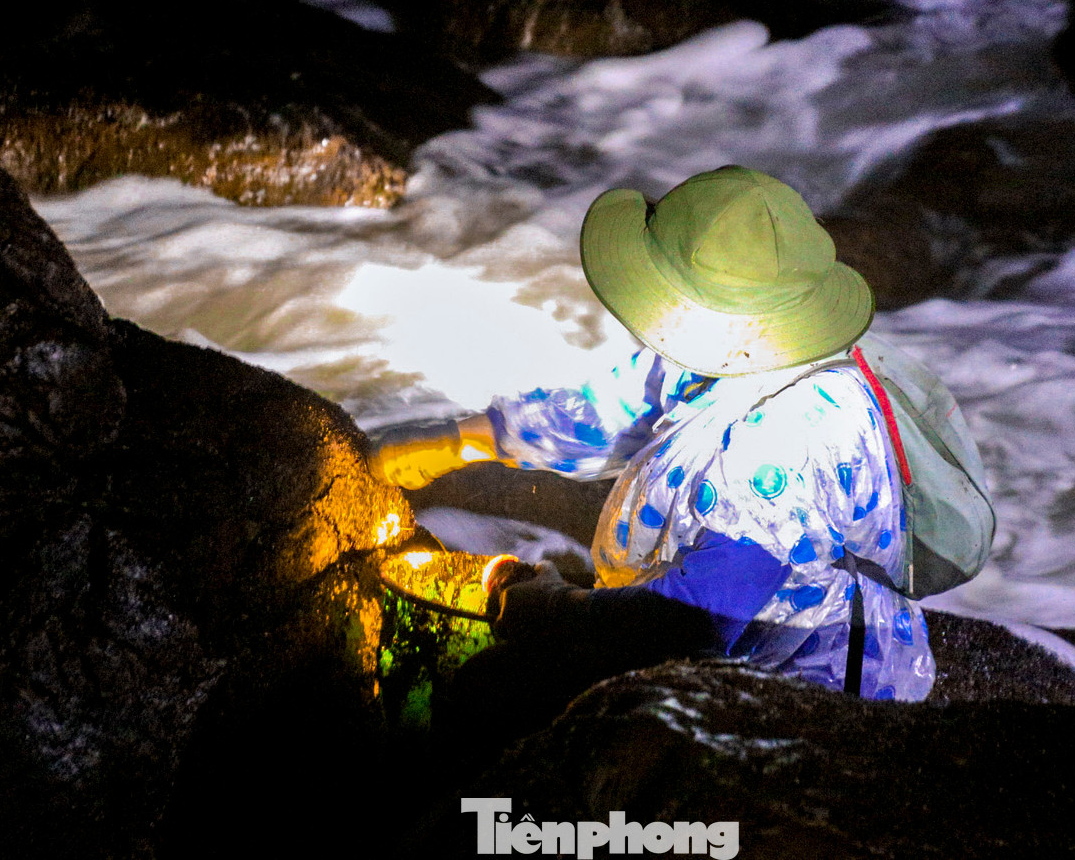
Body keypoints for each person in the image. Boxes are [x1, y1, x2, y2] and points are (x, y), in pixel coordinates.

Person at [371, 165, 975, 703]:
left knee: (487, 698)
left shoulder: (783, 448)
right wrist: (457, 441)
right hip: (719, 622)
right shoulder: (745, 342)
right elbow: (612, 409)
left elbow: (689, 622)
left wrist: (551, 608)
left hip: (800, 683)